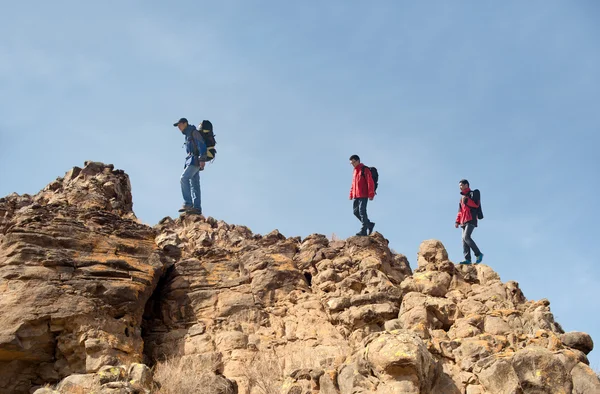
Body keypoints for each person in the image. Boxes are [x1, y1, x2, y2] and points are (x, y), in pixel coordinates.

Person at [173, 117, 206, 215]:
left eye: (179, 125)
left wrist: (202, 159)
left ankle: (188, 203)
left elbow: (201, 144)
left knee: (184, 178)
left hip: (195, 161)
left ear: (185, 123)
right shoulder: (187, 135)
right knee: (194, 185)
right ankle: (197, 208)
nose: (179, 127)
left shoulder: (193, 132)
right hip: (192, 161)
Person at [455, 179, 484, 264]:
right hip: (463, 221)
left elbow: (476, 204)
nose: (460, 187)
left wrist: (467, 200)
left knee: (466, 237)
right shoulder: (461, 199)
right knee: (464, 240)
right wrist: (457, 221)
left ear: (466, 185)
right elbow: (460, 212)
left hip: (471, 218)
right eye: (459, 186)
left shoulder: (473, 193)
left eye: (461, 185)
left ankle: (478, 254)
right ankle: (468, 259)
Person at [349, 155, 375, 236]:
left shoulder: (364, 169)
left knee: (362, 211)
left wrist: (371, 194)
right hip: (356, 195)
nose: (352, 164)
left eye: (353, 162)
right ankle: (369, 224)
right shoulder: (355, 171)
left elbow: (370, 182)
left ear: (358, 161)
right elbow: (353, 184)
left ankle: (364, 230)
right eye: (351, 163)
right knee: (355, 212)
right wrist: (351, 194)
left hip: (363, 194)